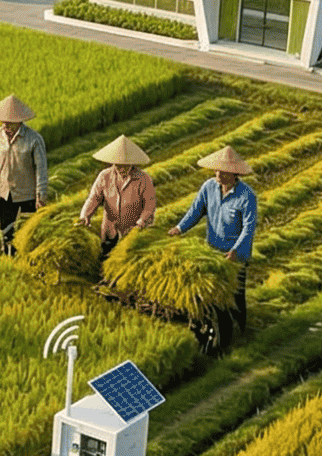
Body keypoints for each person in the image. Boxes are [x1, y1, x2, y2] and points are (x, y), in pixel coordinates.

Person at [171, 145, 258, 349]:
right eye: (216, 170)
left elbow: (248, 227)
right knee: (213, 296)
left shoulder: (246, 196)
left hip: (235, 255)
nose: (217, 174)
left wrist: (235, 250)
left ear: (234, 173)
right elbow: (195, 211)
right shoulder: (209, 187)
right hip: (212, 251)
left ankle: (240, 330)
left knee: (236, 295)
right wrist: (179, 228)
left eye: (222, 171)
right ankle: (218, 331)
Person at [0, 95, 49, 256]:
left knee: (28, 231)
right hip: (5, 192)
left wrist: (41, 194)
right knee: (5, 230)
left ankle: (28, 257)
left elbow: (41, 168)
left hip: (28, 193)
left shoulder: (33, 139)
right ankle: (8, 256)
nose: (5, 125)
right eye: (3, 121)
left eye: (9, 122)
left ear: (19, 121)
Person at [77, 135, 157, 260]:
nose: (122, 168)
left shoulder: (143, 179)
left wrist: (141, 223)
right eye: (119, 165)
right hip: (110, 230)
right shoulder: (105, 176)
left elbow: (149, 205)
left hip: (134, 232)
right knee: (105, 257)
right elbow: (94, 198)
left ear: (132, 163)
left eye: (125, 165)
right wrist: (85, 215)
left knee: (128, 261)